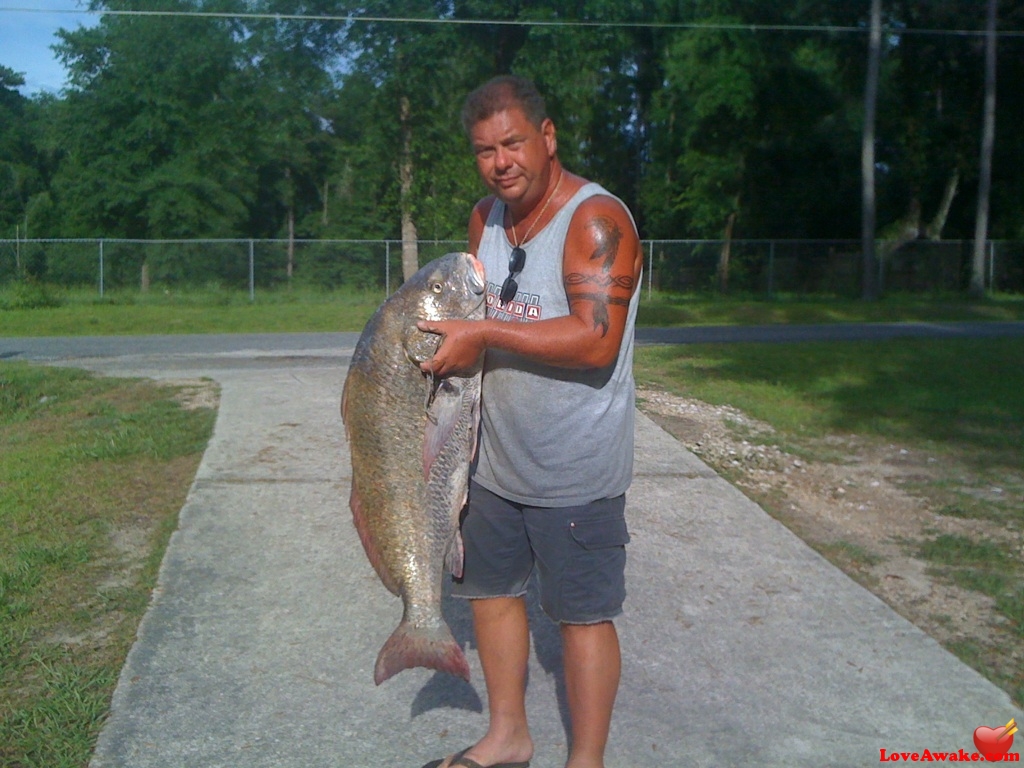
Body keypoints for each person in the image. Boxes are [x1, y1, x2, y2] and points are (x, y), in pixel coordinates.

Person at [418, 75, 643, 768]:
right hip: (490, 458)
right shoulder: (483, 219)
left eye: (513, 142)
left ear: (547, 139)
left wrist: (482, 331)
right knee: (490, 594)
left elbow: (595, 339)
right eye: (485, 149)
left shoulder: (596, 220)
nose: (501, 161)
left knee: (581, 615)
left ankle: (588, 760)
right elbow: (468, 314)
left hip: (575, 465)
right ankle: (508, 735)